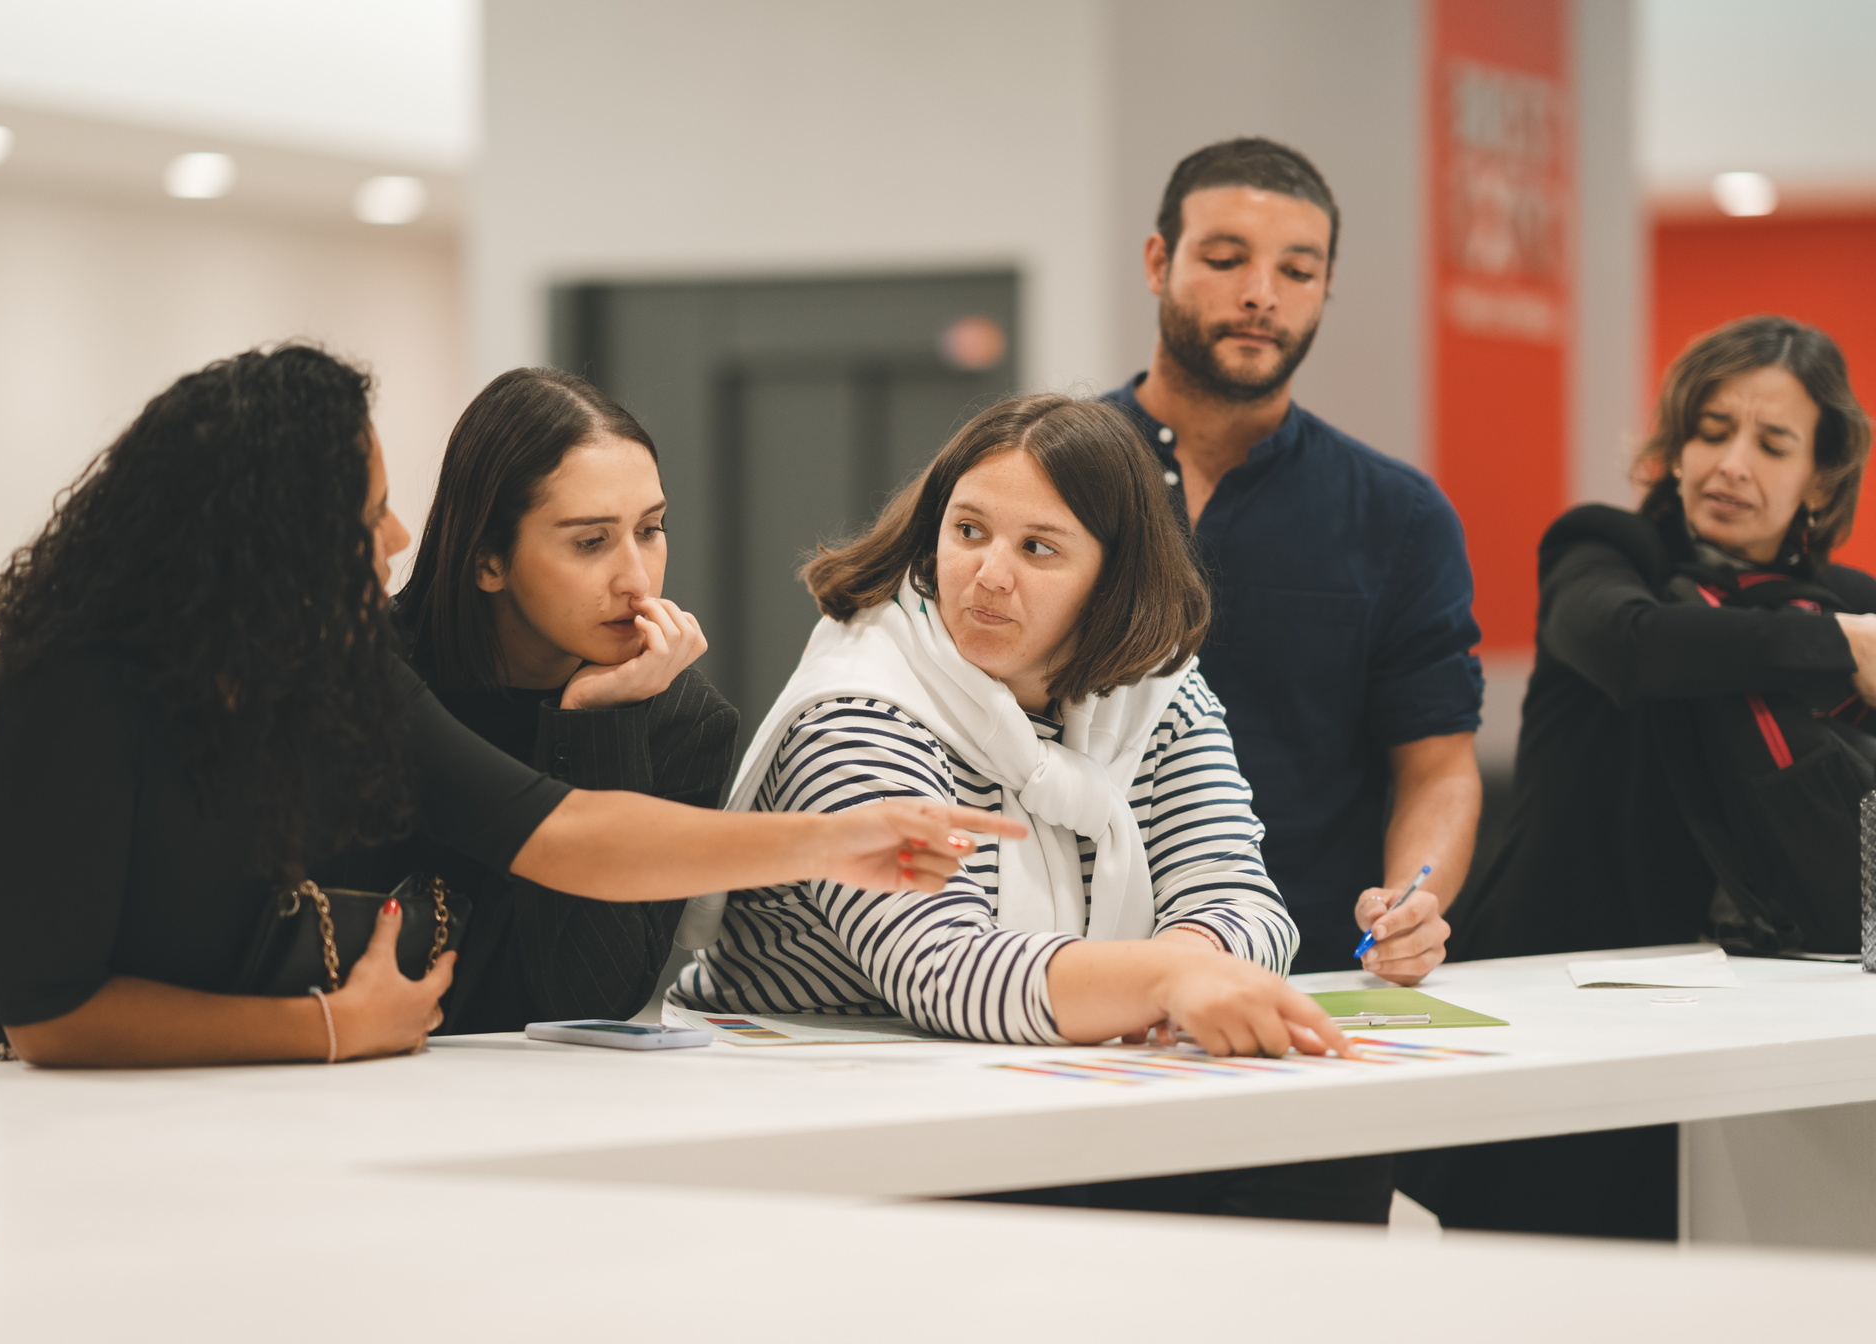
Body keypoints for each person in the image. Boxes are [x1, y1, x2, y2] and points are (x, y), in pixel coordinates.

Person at [0, 344, 1016, 1068]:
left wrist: (841, 840)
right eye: (366, 514)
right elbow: (52, 1019)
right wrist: (329, 1028)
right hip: (76, 1132)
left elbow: (565, 837)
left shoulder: (333, 671)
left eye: (649, 528)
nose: (394, 537)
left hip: (288, 1115)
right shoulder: (75, 691)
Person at [670, 393, 1349, 1065]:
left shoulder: (1161, 696)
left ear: (1113, 579)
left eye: (1038, 548)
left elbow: (1240, 896)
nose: (989, 576)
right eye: (968, 532)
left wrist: (1190, 959)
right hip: (798, 1096)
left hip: (1033, 1089)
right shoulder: (856, 709)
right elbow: (943, 969)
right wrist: (1163, 983)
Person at [1403, 314, 1876, 1239]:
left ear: (1821, 476)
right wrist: (1839, 647)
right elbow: (1635, 647)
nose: (1731, 464)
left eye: (1772, 443)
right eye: (1711, 431)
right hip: (1568, 987)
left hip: (1770, 1003)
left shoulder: (1854, 602)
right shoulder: (1607, 550)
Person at [1099, 136, 1485, 1222]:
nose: (1261, 294)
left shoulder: (1397, 518)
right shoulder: (1047, 479)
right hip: (1068, 1001)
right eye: (1225, 257)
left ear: (1324, 288)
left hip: (1301, 1005)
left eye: (1297, 269)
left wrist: (1414, 903)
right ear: (1157, 261)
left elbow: (1440, 766)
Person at [386, 368, 735, 1031]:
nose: (636, 579)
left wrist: (597, 726)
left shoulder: (683, 723)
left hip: (541, 1108)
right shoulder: (369, 678)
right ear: (488, 559)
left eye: (651, 529)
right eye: (590, 541)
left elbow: (591, 1003)